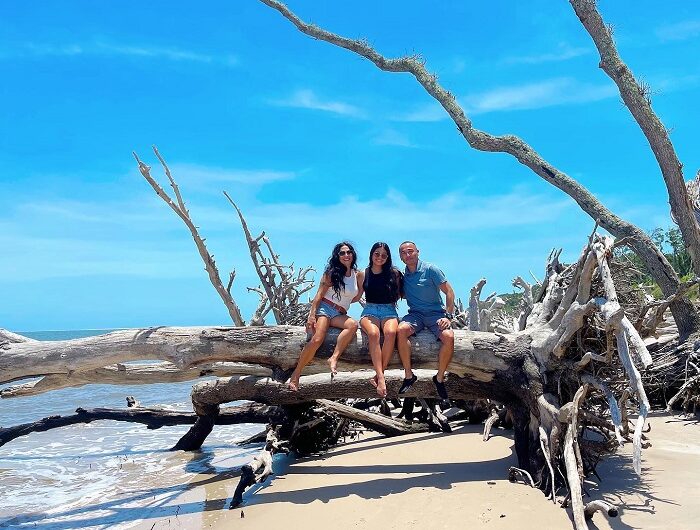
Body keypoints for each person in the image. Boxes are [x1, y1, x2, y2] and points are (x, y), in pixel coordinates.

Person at [288, 242, 361, 391]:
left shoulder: (358, 275)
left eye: (349, 252)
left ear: (353, 254)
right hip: (325, 308)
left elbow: (357, 296)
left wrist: (343, 302)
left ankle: (333, 358)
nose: (346, 255)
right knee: (317, 339)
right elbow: (319, 295)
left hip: (340, 313)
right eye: (342, 253)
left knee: (353, 325)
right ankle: (296, 374)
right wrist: (311, 315)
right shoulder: (331, 273)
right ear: (337, 256)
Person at [395, 241, 455, 402]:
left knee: (449, 337)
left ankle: (440, 378)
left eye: (410, 251)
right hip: (415, 315)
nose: (407, 255)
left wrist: (448, 316)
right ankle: (409, 375)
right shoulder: (403, 276)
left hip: (436, 314)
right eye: (403, 253)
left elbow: (449, 292)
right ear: (400, 257)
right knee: (400, 330)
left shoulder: (431, 270)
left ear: (417, 252)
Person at [354, 242, 403, 397]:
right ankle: (381, 378)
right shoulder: (363, 274)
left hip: (389, 309)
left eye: (383, 255)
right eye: (377, 254)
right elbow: (356, 296)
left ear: (387, 257)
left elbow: (403, 293)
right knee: (374, 334)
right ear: (371, 254)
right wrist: (336, 303)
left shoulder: (394, 274)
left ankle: (378, 375)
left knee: (390, 333)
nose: (380, 257)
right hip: (370, 310)